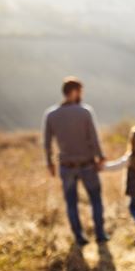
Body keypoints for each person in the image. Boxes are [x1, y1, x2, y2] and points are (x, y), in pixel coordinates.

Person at [43, 76, 109, 245]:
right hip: (87, 164)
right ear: (74, 92)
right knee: (95, 199)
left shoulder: (51, 114)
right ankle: (100, 234)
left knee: (71, 203)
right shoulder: (84, 111)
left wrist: (49, 163)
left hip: (66, 166)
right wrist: (100, 157)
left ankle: (79, 237)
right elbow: (94, 138)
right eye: (80, 91)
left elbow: (47, 142)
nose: (81, 95)